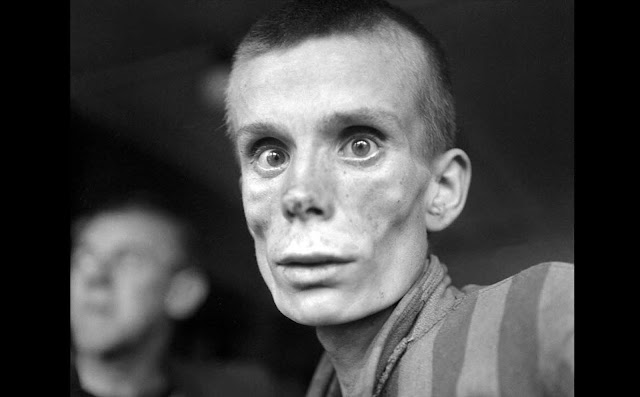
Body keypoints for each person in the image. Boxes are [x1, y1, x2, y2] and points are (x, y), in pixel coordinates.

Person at [222, 0, 574, 396]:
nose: (300, 194)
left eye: (359, 145)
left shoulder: (544, 314)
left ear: (442, 189)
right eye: (272, 155)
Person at [70, 193, 282, 397]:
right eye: (84, 258)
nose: (95, 277)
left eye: (129, 260)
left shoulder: (242, 390)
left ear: (183, 294)